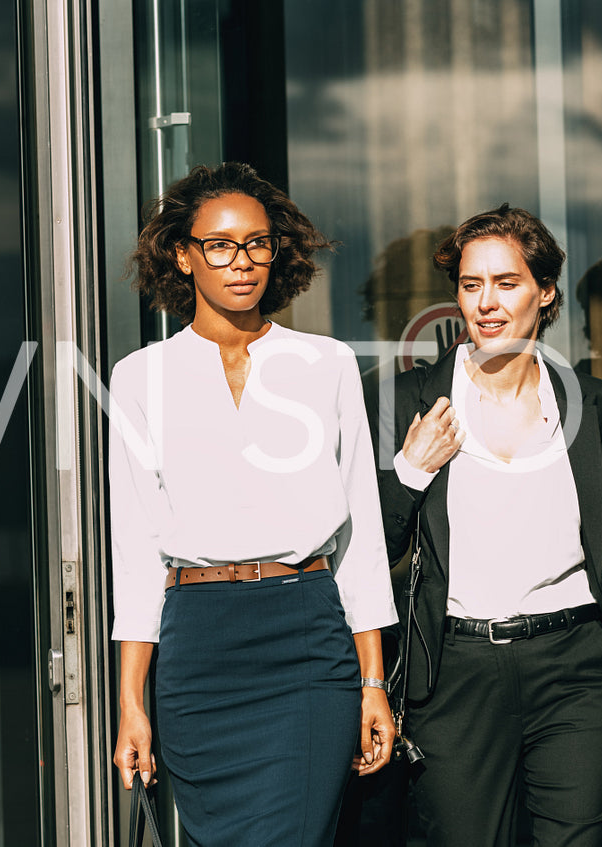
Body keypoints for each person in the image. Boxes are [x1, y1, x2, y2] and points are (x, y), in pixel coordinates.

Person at [109, 162, 400, 846]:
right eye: (219, 244)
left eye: (257, 243)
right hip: (197, 647)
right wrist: (131, 703)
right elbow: (133, 550)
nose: (241, 263)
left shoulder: (325, 364)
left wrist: (372, 681)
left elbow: (356, 536)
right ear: (182, 254)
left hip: (306, 637)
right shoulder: (138, 378)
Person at [378, 205, 602, 846]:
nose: (487, 303)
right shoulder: (407, 401)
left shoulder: (591, 402)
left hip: (577, 668)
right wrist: (412, 471)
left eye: (507, 283)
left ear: (546, 292)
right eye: (472, 285)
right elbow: (370, 551)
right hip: (455, 673)